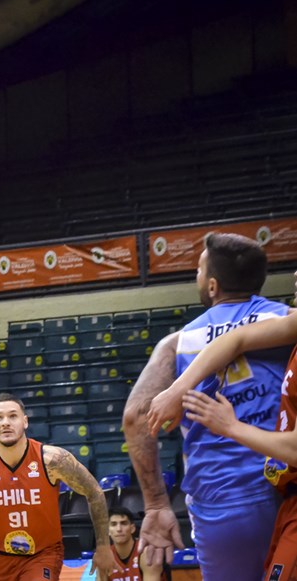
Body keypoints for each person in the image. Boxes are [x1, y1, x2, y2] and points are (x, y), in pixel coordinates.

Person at [125, 232, 288, 580]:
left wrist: (155, 504)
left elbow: (135, 418)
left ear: (212, 285)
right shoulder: (286, 320)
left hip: (220, 503)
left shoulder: (177, 343)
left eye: (198, 271)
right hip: (283, 488)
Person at [0, 393, 117, 581]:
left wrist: (103, 547)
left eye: (13, 416)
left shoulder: (52, 460)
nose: (5, 422)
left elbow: (95, 492)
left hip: (41, 555)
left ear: (25, 421)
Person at [107, 506, 168, 581]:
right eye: (113, 524)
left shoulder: (147, 553)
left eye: (124, 523)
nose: (119, 529)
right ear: (108, 531)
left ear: (132, 528)